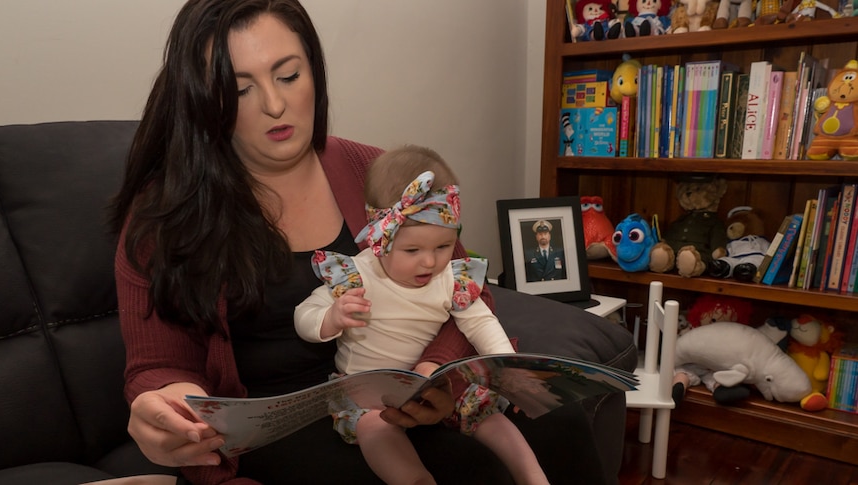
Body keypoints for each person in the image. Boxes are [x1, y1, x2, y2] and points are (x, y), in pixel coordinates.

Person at [108, 0, 615, 483]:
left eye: (289, 75)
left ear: (315, 72)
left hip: (401, 389)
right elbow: (160, 364)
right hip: (288, 427)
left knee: (560, 424)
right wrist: (169, 409)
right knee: (468, 468)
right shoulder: (166, 214)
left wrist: (435, 374)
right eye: (240, 90)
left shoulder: (377, 175)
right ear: (205, 100)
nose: (275, 103)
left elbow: (463, 289)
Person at [294, 146, 549, 485]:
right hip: (371, 395)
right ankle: (415, 479)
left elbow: (481, 321)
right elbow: (303, 315)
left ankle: (532, 476)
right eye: (412, 250)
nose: (429, 262)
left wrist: (510, 369)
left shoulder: (448, 279)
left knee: (486, 413)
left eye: (442, 247)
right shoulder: (355, 275)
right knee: (373, 427)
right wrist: (331, 318)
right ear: (379, 237)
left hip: (434, 388)